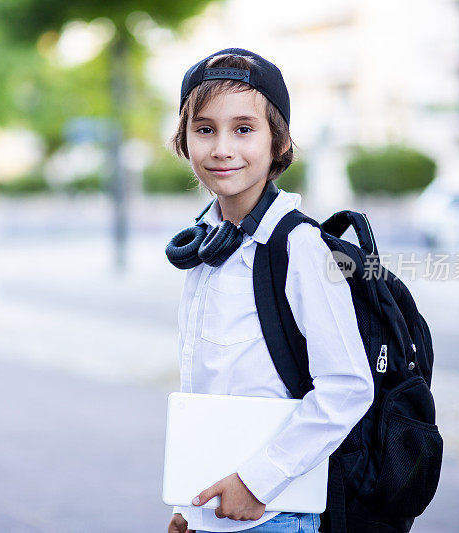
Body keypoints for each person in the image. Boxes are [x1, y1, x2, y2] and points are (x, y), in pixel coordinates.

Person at [165, 48, 374, 533]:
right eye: (204, 129)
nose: (222, 148)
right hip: (211, 512)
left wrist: (258, 482)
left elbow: (347, 388)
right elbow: (209, 387)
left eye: (243, 129)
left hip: (275, 515)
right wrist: (186, 501)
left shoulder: (298, 248)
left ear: (278, 143)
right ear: (184, 141)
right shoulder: (207, 248)